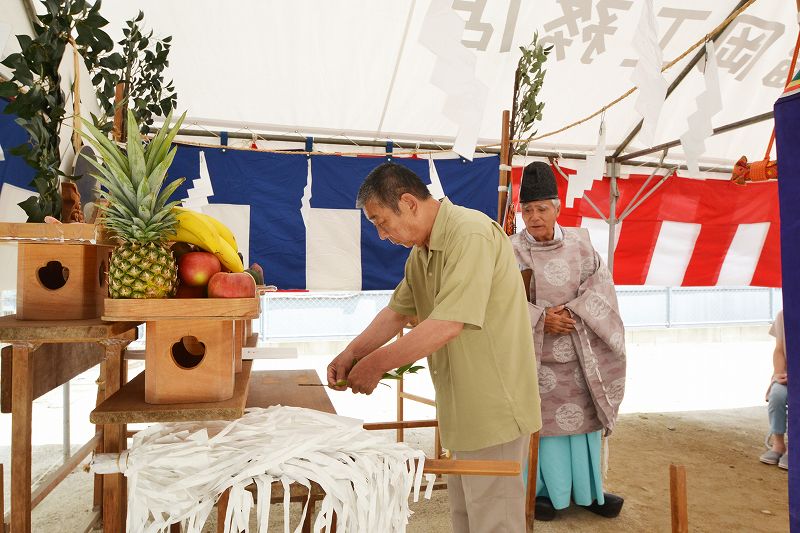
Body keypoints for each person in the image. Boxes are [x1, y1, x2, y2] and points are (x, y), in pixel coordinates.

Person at [327, 162, 541, 533]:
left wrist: (376, 364)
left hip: (495, 409)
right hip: (463, 409)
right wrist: (352, 353)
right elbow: (397, 312)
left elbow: (446, 325)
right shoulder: (421, 253)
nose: (380, 235)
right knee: (467, 518)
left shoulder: (470, 234)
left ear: (409, 203)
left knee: (494, 523)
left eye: (381, 221)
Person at [509, 161, 627, 521]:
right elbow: (498, 299)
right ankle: (541, 492)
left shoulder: (581, 245)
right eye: (527, 210)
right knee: (542, 427)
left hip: (579, 355)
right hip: (534, 359)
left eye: (541, 208)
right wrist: (541, 318)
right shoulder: (509, 250)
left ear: (558, 208)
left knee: (584, 424)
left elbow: (602, 290)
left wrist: (572, 313)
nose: (534, 217)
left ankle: (588, 491)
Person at [760, 309, 788, 470]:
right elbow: (779, 349)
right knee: (776, 394)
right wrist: (778, 373)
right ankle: (778, 445)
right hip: (787, 375)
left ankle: (794, 448)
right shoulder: (783, 315)